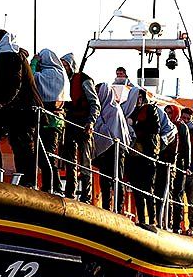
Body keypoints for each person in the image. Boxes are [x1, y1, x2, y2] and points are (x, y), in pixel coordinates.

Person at [0, 31, 43, 186]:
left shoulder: (10, 56)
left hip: (23, 111)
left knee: (24, 147)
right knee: (20, 145)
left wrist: (1, 101)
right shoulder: (16, 55)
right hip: (22, 110)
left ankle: (28, 181)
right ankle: (26, 180)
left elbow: (15, 83)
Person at [60, 53, 100, 202]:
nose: (63, 67)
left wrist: (91, 122)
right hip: (69, 123)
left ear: (71, 65)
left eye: (65, 64)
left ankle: (86, 195)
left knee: (85, 160)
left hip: (83, 124)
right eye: (61, 64)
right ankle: (70, 192)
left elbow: (94, 103)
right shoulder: (61, 80)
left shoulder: (84, 80)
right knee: (69, 160)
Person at [33, 49, 68, 195]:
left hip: (46, 120)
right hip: (58, 122)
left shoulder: (43, 75)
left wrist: (34, 62)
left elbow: (30, 77)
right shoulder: (62, 75)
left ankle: (53, 186)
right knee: (49, 155)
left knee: (44, 155)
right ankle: (52, 186)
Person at [93, 82, 130, 212]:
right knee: (105, 180)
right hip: (106, 150)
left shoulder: (114, 110)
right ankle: (106, 207)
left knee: (117, 179)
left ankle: (118, 208)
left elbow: (109, 131)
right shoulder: (103, 109)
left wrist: (97, 122)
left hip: (115, 149)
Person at [128, 89, 160, 225]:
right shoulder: (130, 111)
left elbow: (155, 129)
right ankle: (141, 219)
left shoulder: (151, 111)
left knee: (148, 189)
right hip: (134, 156)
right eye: (137, 97)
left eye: (141, 97)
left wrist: (136, 126)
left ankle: (152, 220)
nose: (138, 100)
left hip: (147, 156)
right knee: (137, 190)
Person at [162, 105, 191, 232]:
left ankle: (176, 225)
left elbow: (187, 148)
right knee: (165, 192)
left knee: (177, 194)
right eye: (166, 112)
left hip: (179, 166)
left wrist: (187, 166)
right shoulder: (164, 125)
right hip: (165, 163)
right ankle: (165, 220)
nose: (168, 114)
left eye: (170, 112)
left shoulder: (182, 127)